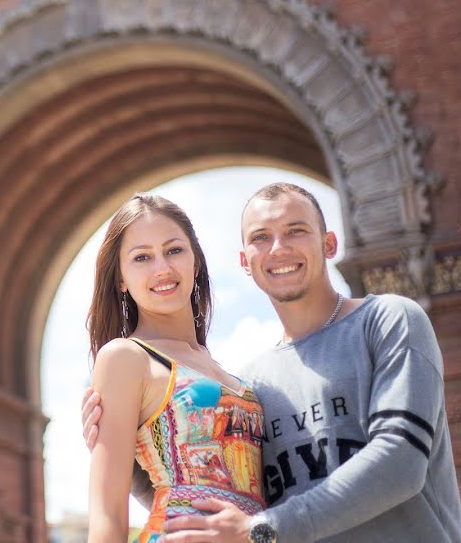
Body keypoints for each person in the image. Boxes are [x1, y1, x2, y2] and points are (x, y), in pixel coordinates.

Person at [81, 182, 461, 543]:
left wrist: (259, 530)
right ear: (245, 262)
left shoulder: (387, 320)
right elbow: (213, 493)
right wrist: (128, 447)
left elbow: (402, 462)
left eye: (296, 230)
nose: (279, 249)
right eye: (262, 237)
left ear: (329, 244)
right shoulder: (252, 381)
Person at [85, 193, 265, 542]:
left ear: (195, 261)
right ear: (121, 279)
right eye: (142, 258)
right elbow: (107, 512)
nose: (162, 269)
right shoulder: (124, 358)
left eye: (174, 250)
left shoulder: (221, 368)